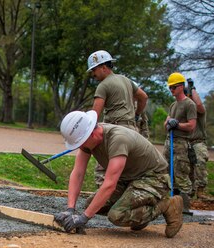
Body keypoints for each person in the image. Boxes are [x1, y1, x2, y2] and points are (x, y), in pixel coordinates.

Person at [54, 110, 183, 238]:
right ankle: (140, 216)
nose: (79, 146)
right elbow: (78, 173)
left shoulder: (117, 139)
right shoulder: (88, 142)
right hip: (129, 178)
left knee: (117, 215)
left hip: (154, 177)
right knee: (92, 204)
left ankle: (167, 205)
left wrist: (83, 218)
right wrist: (70, 209)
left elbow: (109, 185)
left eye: (80, 143)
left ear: (90, 135)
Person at [87, 50, 149, 186]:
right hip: (132, 131)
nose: (93, 74)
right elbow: (143, 97)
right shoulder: (126, 80)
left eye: (94, 70)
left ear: (103, 67)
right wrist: (136, 114)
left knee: (103, 171)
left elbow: (94, 116)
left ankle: (102, 204)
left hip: (115, 132)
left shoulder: (103, 86)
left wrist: (84, 133)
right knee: (128, 171)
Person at [163, 72, 197, 212]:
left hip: (181, 143)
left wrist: (177, 125)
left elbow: (191, 125)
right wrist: (169, 124)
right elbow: (166, 122)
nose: (172, 90)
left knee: (181, 173)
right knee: (166, 172)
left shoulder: (189, 104)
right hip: (169, 142)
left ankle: (185, 208)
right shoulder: (173, 105)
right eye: (170, 87)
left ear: (182, 86)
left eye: (174, 87)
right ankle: (170, 204)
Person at [186, 79, 209, 199]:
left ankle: (201, 191)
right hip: (186, 143)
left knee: (200, 165)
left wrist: (192, 88)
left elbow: (199, 104)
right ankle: (190, 193)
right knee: (187, 169)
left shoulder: (199, 111)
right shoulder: (184, 110)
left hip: (198, 142)